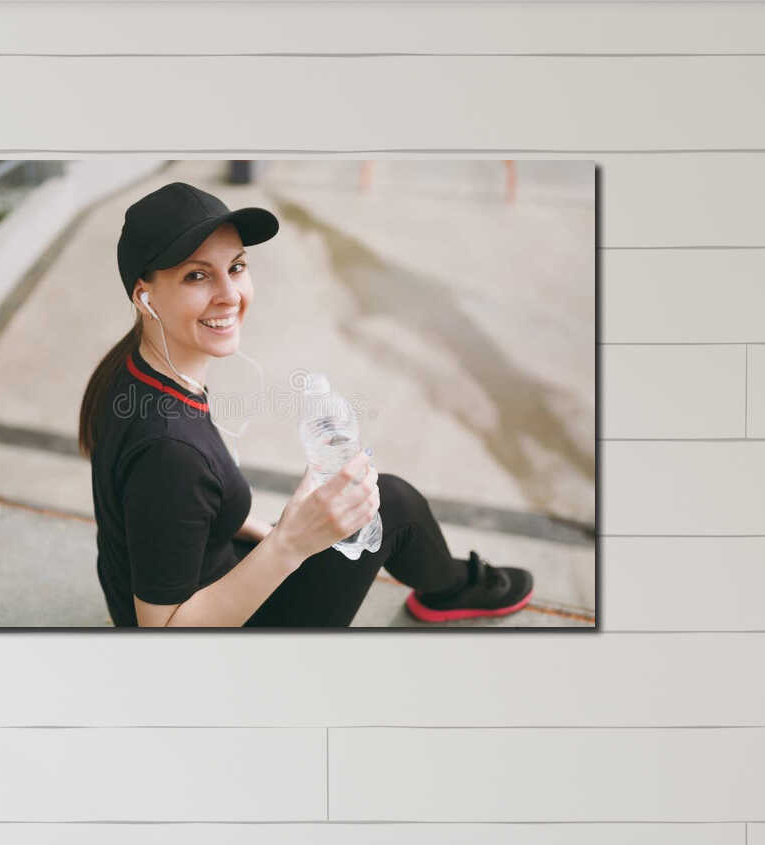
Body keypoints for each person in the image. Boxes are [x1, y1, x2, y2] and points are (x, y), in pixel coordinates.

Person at [76, 180, 534, 629]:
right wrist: (290, 544)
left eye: (236, 267)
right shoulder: (170, 449)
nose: (230, 294)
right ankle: (452, 589)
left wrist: (278, 534)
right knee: (390, 505)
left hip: (188, 577)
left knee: (358, 504)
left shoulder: (133, 370)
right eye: (197, 275)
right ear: (145, 295)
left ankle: (446, 583)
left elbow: (181, 516)